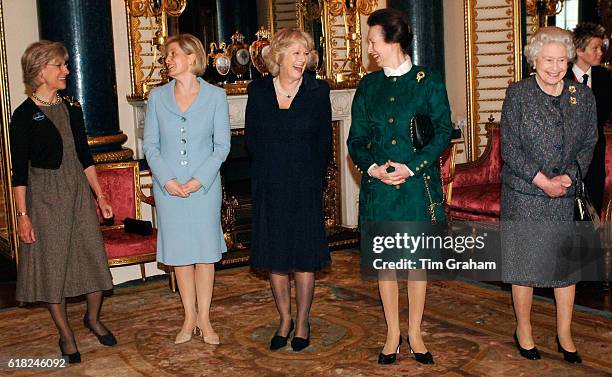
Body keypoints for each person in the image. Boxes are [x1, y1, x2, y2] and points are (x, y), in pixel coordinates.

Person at [347, 8, 452, 365]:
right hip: (380, 189)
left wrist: (412, 167)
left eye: (373, 40)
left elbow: (442, 133)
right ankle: (393, 333)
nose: (370, 48)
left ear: (393, 40)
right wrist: (373, 169)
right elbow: (356, 140)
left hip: (416, 187)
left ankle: (416, 333)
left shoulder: (428, 80)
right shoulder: (369, 85)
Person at [10, 41, 116, 364]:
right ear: (42, 71)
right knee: (53, 269)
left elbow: (84, 155)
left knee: (93, 259)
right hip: (45, 200)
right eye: (60, 65)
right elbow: (19, 172)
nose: (66, 70)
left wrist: (100, 194)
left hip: (77, 194)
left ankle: (93, 319)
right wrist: (23, 215)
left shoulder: (73, 106)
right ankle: (66, 335)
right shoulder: (23, 116)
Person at [500, 26, 597, 364]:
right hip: (526, 193)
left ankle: (564, 333)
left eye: (561, 60)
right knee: (524, 266)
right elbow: (509, 148)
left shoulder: (581, 97)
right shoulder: (518, 94)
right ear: (534, 60)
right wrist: (542, 180)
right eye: (547, 60)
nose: (555, 67)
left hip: (564, 194)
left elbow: (589, 143)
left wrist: (569, 177)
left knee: (564, 268)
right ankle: (523, 328)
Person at [245, 28, 332, 352]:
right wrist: (264, 175)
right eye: (295, 53)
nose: (302, 59)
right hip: (269, 184)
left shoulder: (318, 90)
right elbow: (251, 140)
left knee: (303, 257)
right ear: (278, 56)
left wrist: (313, 178)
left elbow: (325, 142)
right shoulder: (258, 91)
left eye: (306, 53)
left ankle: (303, 320)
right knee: (276, 257)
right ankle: (284, 319)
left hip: (304, 185)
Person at [143, 33, 231, 345]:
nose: (167, 60)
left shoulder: (215, 97)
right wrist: (166, 180)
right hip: (169, 190)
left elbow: (221, 146)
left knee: (205, 255)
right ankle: (188, 317)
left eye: (173, 54)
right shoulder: (156, 98)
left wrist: (199, 180)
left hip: (204, 188)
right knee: (180, 255)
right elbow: (150, 146)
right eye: (166, 55)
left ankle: (205, 318)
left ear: (191, 58)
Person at [565, 23, 611, 215]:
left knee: (592, 214)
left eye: (601, 48)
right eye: (595, 48)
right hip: (566, 157)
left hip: (596, 156)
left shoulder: (605, 78)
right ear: (579, 50)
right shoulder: (562, 77)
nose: (600, 52)